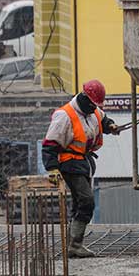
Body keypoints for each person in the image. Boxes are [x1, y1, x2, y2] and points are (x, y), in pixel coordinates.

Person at [43, 80, 120, 257]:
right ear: (85, 98)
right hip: (69, 162)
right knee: (87, 201)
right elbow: (49, 145)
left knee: (79, 203)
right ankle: (75, 245)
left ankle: (73, 244)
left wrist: (111, 126)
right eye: (93, 105)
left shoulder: (93, 109)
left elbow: (103, 119)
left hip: (83, 162)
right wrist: (52, 169)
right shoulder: (64, 116)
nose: (95, 109)